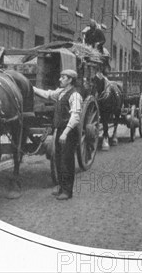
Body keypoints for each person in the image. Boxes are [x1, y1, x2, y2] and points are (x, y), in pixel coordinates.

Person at [33, 69, 83, 200]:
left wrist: (65, 133)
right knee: (59, 160)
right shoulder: (61, 92)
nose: (60, 79)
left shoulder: (75, 96)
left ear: (70, 80)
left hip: (69, 132)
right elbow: (47, 94)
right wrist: (31, 88)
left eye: (63, 77)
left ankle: (67, 191)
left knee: (67, 161)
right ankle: (61, 187)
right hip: (61, 130)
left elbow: (76, 116)